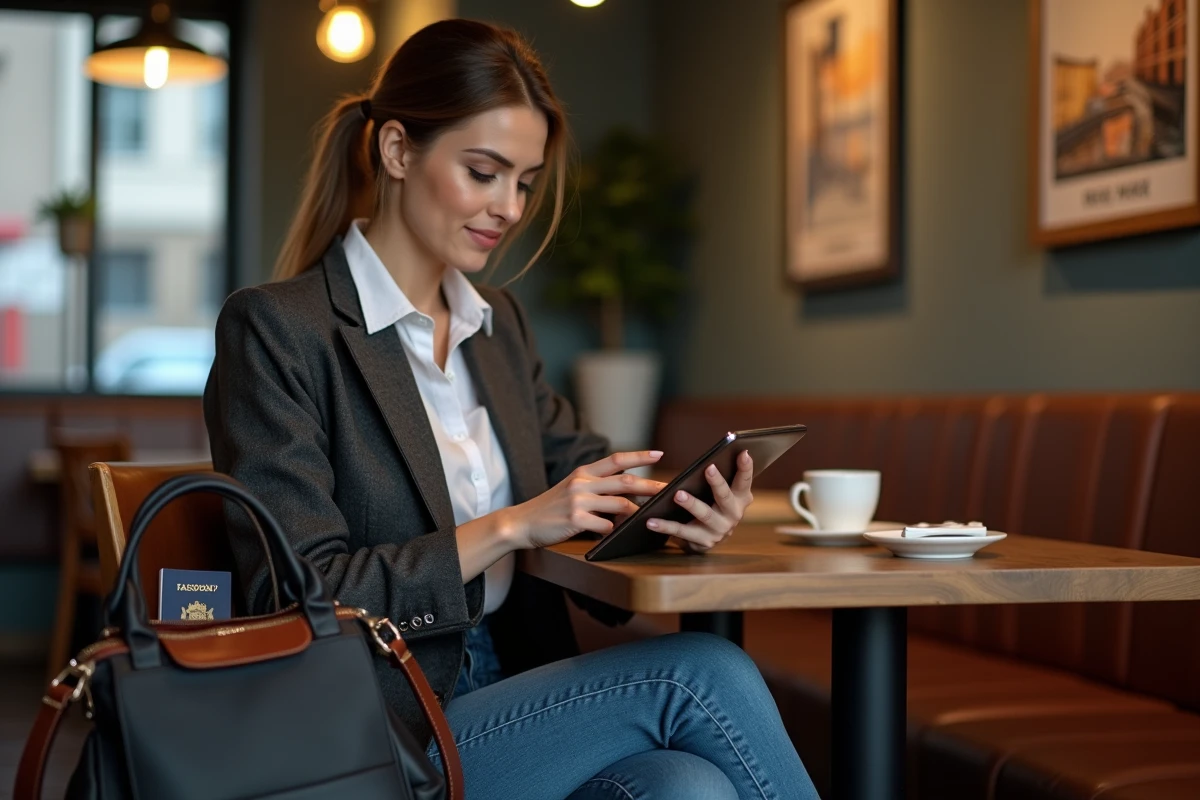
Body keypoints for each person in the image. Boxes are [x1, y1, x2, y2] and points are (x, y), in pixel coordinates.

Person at [204, 18, 819, 800]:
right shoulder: (279, 329)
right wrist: (511, 525)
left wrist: (678, 512)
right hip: (375, 725)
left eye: (525, 181)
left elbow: (585, 477)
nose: (510, 206)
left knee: (685, 786)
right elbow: (294, 597)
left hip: (515, 693)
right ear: (397, 151)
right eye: (484, 171)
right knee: (703, 672)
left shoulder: (495, 328)